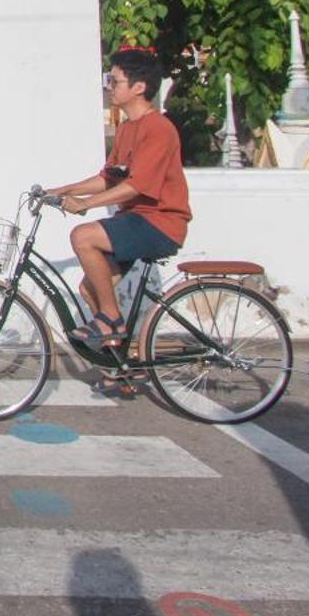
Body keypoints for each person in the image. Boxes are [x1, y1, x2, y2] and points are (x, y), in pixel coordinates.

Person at [43, 48, 192, 385]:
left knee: (83, 236)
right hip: (136, 220)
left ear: (139, 87)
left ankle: (111, 319)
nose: (109, 87)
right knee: (89, 287)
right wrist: (64, 190)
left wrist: (86, 204)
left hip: (159, 221)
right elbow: (110, 177)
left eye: (115, 81)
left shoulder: (158, 129)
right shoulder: (127, 128)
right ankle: (121, 363)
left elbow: (137, 186)